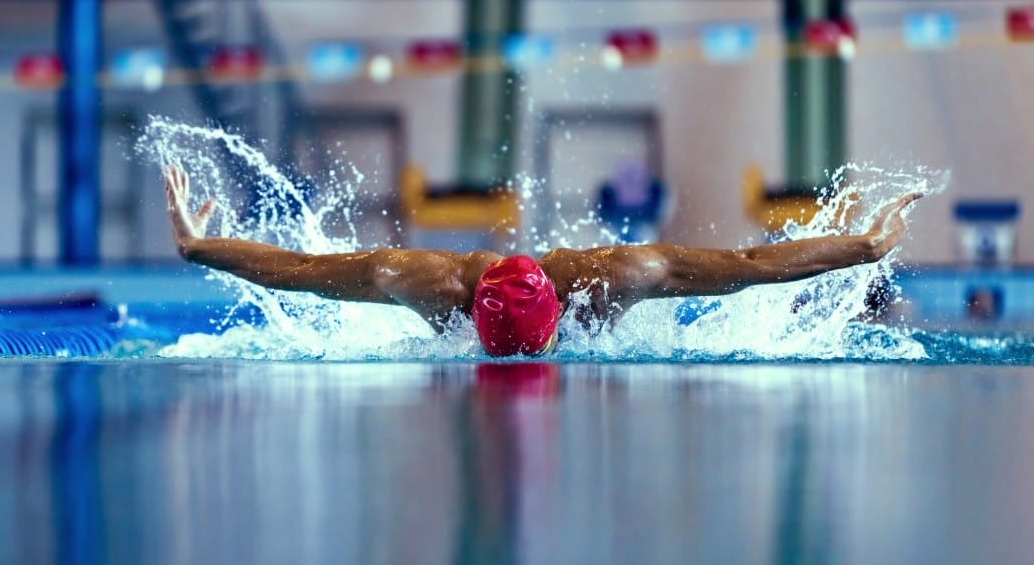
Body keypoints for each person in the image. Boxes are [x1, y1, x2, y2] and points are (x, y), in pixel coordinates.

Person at [164, 165, 923, 357]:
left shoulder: (616, 276)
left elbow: (752, 261)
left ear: (565, 313)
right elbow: (295, 272)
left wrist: (867, 245)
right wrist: (197, 247)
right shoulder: (422, 283)